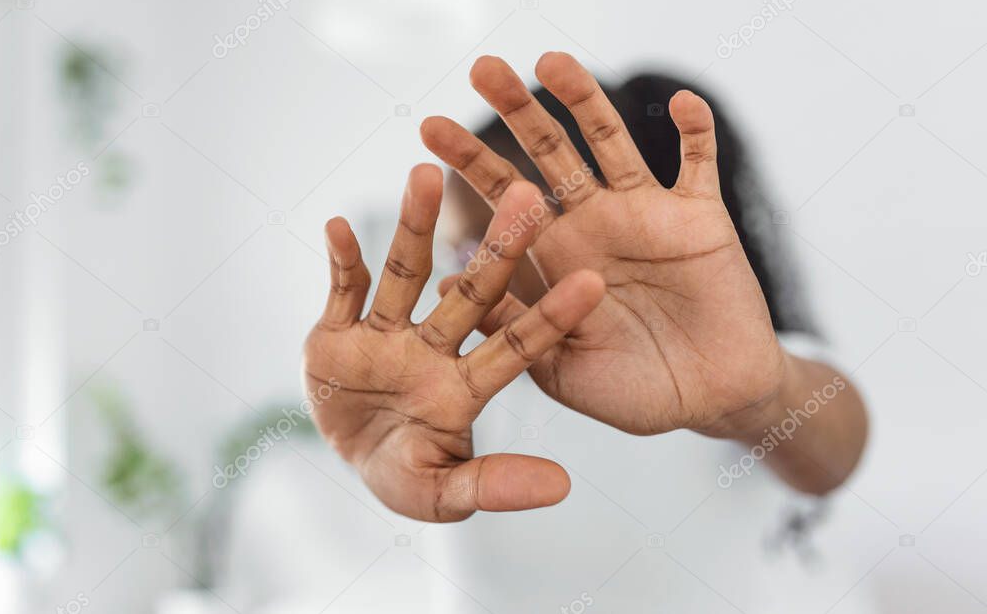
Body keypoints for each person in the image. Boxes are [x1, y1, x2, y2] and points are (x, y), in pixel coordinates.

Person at [303, 52, 869, 611]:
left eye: (486, 243)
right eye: (457, 247)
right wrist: (381, 461)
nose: (465, 273)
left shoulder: (736, 363)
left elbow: (833, 449)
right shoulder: (459, 390)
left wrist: (759, 401)